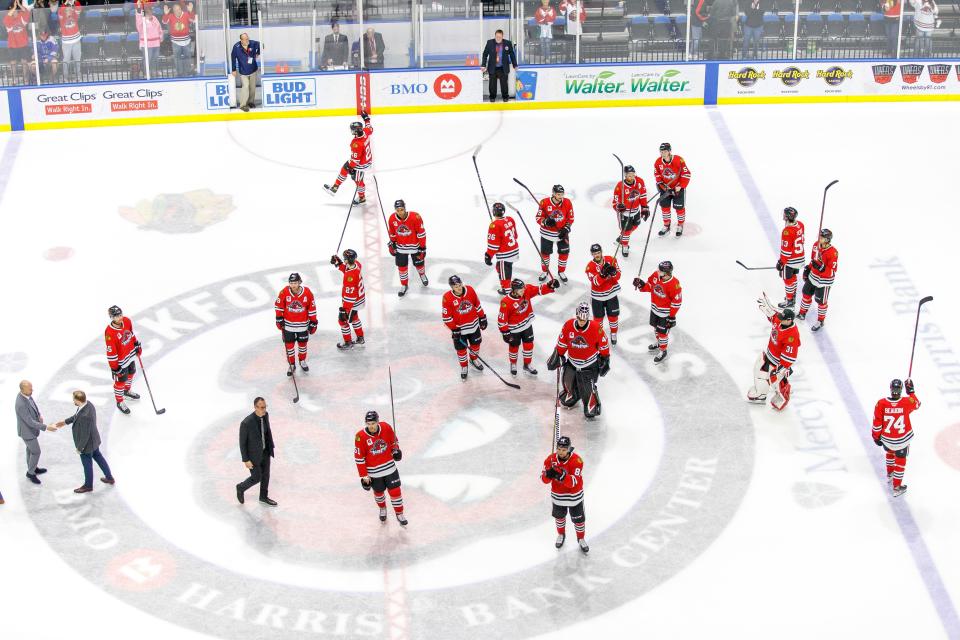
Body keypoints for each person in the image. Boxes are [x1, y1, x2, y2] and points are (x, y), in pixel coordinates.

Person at [549, 303, 610, 419]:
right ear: (576, 316)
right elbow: (562, 341)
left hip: (589, 364)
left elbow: (604, 344)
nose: (582, 321)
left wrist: (605, 358)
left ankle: (591, 403)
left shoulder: (596, 327)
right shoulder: (568, 325)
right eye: (580, 319)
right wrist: (558, 355)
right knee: (567, 381)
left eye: (584, 319)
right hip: (572, 361)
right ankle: (572, 393)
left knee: (586, 388)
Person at [56, 390, 115, 494]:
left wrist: (80, 448)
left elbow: (84, 435)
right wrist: (65, 422)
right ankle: (109, 477)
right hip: (94, 440)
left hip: (87, 445)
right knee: (99, 458)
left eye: (74, 399)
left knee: (87, 465)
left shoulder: (85, 416)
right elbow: (76, 416)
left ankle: (88, 486)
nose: (73, 401)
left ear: (78, 400)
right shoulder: (88, 404)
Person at [748, 295, 801, 410]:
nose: (780, 319)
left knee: (772, 379)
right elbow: (774, 315)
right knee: (758, 369)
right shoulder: (780, 320)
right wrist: (768, 309)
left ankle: (781, 395)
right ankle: (762, 393)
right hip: (769, 354)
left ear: (789, 320)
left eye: (783, 319)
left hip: (776, 362)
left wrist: (781, 369)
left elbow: (790, 356)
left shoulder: (792, 335)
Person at [498, 277, 559, 376]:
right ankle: (513, 364)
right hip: (514, 329)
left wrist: (550, 285)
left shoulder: (526, 290)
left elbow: (539, 290)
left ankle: (527, 364)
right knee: (514, 347)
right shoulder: (506, 302)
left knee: (529, 346)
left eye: (523, 288)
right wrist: (505, 332)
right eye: (520, 290)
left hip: (526, 325)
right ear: (514, 290)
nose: (523, 290)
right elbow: (502, 319)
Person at [354, 410, 406, 525]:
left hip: (390, 468)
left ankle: (399, 513)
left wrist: (395, 450)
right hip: (374, 472)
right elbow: (359, 458)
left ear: (377, 422)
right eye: (368, 424)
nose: (371, 426)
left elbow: (393, 441)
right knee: (379, 493)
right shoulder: (360, 436)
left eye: (373, 423)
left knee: (396, 491)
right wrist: (364, 476)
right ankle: (382, 509)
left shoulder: (386, 427)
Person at [872, 378, 919, 497]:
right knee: (900, 462)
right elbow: (917, 404)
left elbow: (877, 422)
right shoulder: (906, 402)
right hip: (902, 441)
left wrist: (876, 437)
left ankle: (890, 474)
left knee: (890, 453)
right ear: (901, 389)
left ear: (890, 389)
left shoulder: (881, 403)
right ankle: (897, 487)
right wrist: (911, 391)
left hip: (887, 440)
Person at [540, 436, 588, 553]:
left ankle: (581, 538)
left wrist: (560, 475)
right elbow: (543, 480)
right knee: (559, 518)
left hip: (574, 497)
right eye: (559, 449)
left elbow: (573, 482)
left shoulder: (577, 461)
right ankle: (561, 535)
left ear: (569, 449)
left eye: (564, 449)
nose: (561, 452)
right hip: (558, 497)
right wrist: (548, 475)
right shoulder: (550, 460)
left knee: (579, 520)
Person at [632, 260, 682, 364]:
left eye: (660, 270)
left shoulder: (674, 284)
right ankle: (659, 343)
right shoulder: (656, 275)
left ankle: (663, 351)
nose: (657, 271)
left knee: (662, 333)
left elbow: (677, 302)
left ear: (666, 273)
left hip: (665, 314)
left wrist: (671, 316)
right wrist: (641, 284)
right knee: (655, 328)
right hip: (654, 309)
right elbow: (650, 286)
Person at [441, 275, 488, 380]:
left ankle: (473, 359)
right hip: (459, 329)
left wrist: (482, 317)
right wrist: (454, 329)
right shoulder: (447, 297)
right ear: (451, 287)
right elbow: (446, 317)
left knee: (476, 345)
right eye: (455, 286)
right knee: (461, 349)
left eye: (459, 284)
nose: (459, 287)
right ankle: (464, 367)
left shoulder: (470, 290)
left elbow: (477, 305)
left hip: (474, 325)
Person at [323, 111, 372, 205]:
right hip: (366, 160)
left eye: (353, 129)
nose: (351, 131)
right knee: (345, 168)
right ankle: (335, 187)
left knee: (358, 180)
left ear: (356, 131)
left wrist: (351, 169)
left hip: (362, 164)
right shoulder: (365, 132)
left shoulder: (356, 144)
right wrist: (366, 118)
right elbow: (370, 128)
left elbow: (355, 161)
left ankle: (362, 198)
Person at [236, 397, 277, 506]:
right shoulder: (246, 423)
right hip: (253, 456)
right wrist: (245, 459)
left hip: (265, 451)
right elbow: (242, 443)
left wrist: (270, 447)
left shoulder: (266, 415)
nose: (264, 410)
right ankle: (240, 487)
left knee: (266, 475)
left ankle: (263, 496)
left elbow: (267, 432)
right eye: (262, 407)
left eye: (265, 407)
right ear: (255, 407)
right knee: (256, 477)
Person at [275, 272, 317, 376]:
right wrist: (279, 318)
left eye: (295, 282)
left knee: (302, 346)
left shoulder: (307, 292)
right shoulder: (284, 292)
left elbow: (312, 308)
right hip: (288, 325)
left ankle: (302, 361)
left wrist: (313, 321)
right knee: (289, 346)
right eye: (291, 283)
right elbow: (278, 305)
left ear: (299, 282)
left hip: (303, 325)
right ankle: (292, 364)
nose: (293, 285)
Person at [17, 380, 58, 485]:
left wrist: (39, 415)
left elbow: (34, 405)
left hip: (31, 431)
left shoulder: (27, 395)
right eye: (29, 389)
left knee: (30, 450)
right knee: (36, 452)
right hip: (27, 432)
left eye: (31, 388)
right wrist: (46, 427)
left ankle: (33, 468)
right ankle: (30, 473)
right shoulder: (20, 404)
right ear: (22, 390)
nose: (32, 390)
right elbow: (29, 422)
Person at [798, 228, 838, 331]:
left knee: (821, 302)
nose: (819, 238)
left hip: (824, 281)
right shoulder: (816, 245)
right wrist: (809, 268)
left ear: (827, 239)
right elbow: (813, 260)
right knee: (806, 294)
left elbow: (833, 271)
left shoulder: (833, 252)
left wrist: (822, 268)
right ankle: (802, 313)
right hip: (813, 277)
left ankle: (821, 321)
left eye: (822, 237)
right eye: (819, 236)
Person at [105, 305, 142, 415]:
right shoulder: (110, 333)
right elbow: (111, 352)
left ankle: (126, 391)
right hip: (120, 362)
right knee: (120, 382)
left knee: (132, 373)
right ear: (112, 317)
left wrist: (136, 345)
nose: (120, 317)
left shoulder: (127, 321)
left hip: (130, 355)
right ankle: (120, 401)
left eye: (120, 314)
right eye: (117, 316)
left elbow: (131, 334)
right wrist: (115, 368)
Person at [387, 199, 428, 297]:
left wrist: (422, 248)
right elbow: (392, 233)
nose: (400, 212)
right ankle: (404, 285)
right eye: (397, 210)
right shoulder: (392, 218)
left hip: (415, 247)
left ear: (405, 208)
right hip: (401, 248)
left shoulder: (415, 217)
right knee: (402, 268)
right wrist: (392, 243)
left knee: (419, 264)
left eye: (401, 209)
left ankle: (422, 275)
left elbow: (421, 234)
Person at [536, 184, 575, 283]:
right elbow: (538, 218)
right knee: (545, 254)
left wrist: (566, 229)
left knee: (564, 253)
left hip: (562, 234)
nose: (560, 197)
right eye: (558, 194)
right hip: (546, 234)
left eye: (562, 194)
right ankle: (545, 271)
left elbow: (570, 218)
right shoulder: (544, 202)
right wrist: (546, 222)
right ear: (553, 194)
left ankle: (561, 272)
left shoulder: (567, 202)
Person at [585, 243, 622, 344]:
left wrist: (614, 273)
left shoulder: (611, 260)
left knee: (613, 317)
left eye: (598, 252)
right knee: (598, 320)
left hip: (611, 294)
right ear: (591, 254)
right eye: (594, 253)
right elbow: (596, 283)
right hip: (597, 297)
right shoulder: (589, 267)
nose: (597, 255)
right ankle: (599, 336)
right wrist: (603, 274)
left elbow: (618, 276)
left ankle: (613, 333)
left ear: (601, 252)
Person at [653, 142, 692, 237]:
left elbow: (686, 174)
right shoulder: (658, 162)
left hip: (677, 188)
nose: (663, 153)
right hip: (665, 189)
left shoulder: (679, 160)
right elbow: (657, 175)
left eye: (665, 151)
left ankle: (680, 225)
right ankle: (666, 225)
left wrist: (679, 186)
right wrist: (663, 186)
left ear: (670, 151)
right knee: (665, 207)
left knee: (679, 208)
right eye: (661, 151)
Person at [611, 165, 650, 257]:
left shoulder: (639, 181)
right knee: (627, 231)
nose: (632, 177)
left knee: (636, 225)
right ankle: (624, 245)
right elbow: (615, 202)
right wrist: (618, 206)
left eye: (633, 174)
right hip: (624, 213)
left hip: (636, 211)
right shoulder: (620, 186)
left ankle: (622, 237)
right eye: (629, 175)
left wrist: (644, 208)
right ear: (625, 175)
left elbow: (643, 195)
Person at [331, 249, 366, 350]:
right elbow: (346, 268)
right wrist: (339, 263)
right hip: (360, 299)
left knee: (342, 321)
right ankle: (360, 338)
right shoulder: (357, 264)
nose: (344, 260)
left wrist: (345, 310)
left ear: (347, 260)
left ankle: (348, 342)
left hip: (353, 302)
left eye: (344, 259)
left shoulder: (350, 276)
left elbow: (350, 295)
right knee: (354, 318)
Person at [485, 202, 520, 294]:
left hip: (505, 254)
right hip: (514, 250)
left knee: (504, 271)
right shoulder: (510, 219)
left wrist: (488, 255)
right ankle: (507, 286)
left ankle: (507, 290)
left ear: (493, 212)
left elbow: (494, 245)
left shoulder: (494, 225)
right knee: (502, 268)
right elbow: (515, 235)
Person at [776, 207, 805, 309]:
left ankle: (789, 301)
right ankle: (792, 297)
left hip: (790, 261)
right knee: (793, 277)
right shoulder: (800, 224)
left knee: (787, 280)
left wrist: (781, 262)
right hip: (800, 258)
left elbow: (786, 250)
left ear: (787, 217)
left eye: (784, 214)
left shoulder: (787, 231)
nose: (783, 215)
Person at [480, 29, 517, 103]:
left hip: (503, 67)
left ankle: (505, 97)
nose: (498, 38)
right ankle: (492, 97)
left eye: (500, 37)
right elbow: (485, 54)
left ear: (502, 36)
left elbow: (512, 54)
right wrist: (483, 65)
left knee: (504, 84)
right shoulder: (490, 43)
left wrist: (515, 65)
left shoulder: (507, 43)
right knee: (492, 84)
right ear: (495, 36)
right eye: (497, 36)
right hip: (493, 67)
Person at [162, 1, 196, 77]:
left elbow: (193, 19)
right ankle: (179, 73)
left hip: (186, 41)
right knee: (177, 58)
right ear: (173, 12)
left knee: (187, 57)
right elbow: (164, 21)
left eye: (179, 9)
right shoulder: (170, 16)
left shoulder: (186, 14)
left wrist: (191, 11)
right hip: (175, 42)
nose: (177, 11)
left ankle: (188, 72)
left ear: (181, 9)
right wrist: (166, 14)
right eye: (175, 10)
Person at [231, 32, 261, 112]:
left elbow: (261, 45)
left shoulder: (253, 43)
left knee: (252, 88)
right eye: (246, 39)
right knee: (245, 87)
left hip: (253, 69)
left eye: (248, 38)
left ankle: (251, 102)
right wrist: (233, 69)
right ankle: (243, 105)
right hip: (243, 71)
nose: (248, 40)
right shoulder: (236, 47)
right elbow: (233, 58)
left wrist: (258, 53)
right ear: (241, 40)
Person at [4, 0, 31, 83]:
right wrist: (14, 7)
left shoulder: (21, 17)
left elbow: (26, 11)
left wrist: (19, 4)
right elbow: (6, 18)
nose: (15, 12)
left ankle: (25, 78)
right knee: (13, 63)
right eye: (13, 11)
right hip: (13, 45)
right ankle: (13, 79)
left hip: (23, 44)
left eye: (16, 11)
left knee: (24, 62)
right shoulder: (8, 20)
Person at [135, 2, 163, 78]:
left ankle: (153, 71)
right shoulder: (141, 21)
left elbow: (159, 28)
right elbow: (138, 17)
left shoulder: (154, 18)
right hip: (147, 44)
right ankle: (145, 73)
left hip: (156, 43)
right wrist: (139, 7)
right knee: (147, 59)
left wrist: (161, 36)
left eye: (151, 12)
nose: (150, 14)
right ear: (145, 13)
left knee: (155, 59)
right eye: (148, 12)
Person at [58, 0, 82, 80]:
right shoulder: (62, 17)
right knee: (66, 61)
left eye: (70, 9)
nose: (69, 11)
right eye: (67, 10)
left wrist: (75, 1)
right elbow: (60, 10)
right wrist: (65, 3)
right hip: (66, 43)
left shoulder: (74, 15)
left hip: (76, 41)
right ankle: (65, 77)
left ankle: (78, 76)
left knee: (77, 59)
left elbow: (79, 7)